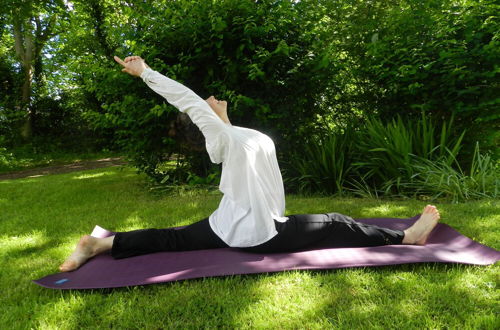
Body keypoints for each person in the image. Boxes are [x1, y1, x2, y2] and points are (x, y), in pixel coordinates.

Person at [59, 56, 441, 272]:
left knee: (170, 237)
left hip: (225, 225)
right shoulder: (224, 136)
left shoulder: (227, 139)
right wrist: (145, 72)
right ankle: (408, 237)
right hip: (263, 232)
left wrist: (222, 115)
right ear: (202, 124)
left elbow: (232, 137)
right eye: (207, 114)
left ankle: (98, 244)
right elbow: (186, 98)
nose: (209, 108)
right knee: (336, 222)